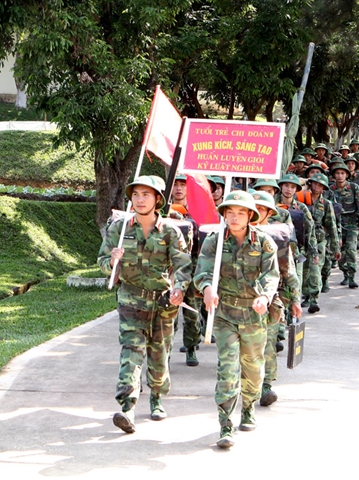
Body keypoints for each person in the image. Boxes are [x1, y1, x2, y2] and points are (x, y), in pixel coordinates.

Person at [98, 176, 191, 433]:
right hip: (131, 299)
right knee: (131, 350)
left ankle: (157, 397)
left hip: (162, 302)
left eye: (146, 195)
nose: (140, 199)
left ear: (157, 199)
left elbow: (183, 265)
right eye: (136, 194)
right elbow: (103, 262)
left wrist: (179, 289)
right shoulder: (119, 229)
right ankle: (127, 407)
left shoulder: (170, 231)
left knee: (159, 353)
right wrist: (112, 260)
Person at [194, 190, 280, 448]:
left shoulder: (264, 242)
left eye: (240, 213)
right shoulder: (215, 241)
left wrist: (264, 296)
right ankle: (225, 424)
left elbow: (271, 275)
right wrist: (207, 288)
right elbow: (203, 270)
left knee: (253, 369)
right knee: (228, 369)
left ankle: (249, 406)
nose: (234, 217)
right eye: (230, 212)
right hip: (225, 315)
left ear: (250, 215)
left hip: (254, 315)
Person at [251, 191, 301, 409]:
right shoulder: (233, 235)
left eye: (261, 209)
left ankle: (266, 386)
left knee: (268, 343)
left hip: (271, 300)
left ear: (269, 213)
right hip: (238, 299)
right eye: (253, 209)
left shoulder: (277, 237)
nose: (256, 213)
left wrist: (296, 299)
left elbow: (290, 271)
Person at [168, 174, 203, 367]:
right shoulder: (163, 210)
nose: (179, 189)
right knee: (169, 312)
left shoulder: (198, 211)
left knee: (192, 312)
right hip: (169, 267)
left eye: (183, 185)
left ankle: (191, 348)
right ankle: (165, 353)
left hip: (192, 265)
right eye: (175, 185)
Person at [304, 172, 340, 312]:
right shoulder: (301, 200)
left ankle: (314, 299)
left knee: (315, 270)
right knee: (305, 271)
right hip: (303, 241)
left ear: (323, 188)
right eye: (314, 183)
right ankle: (306, 295)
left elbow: (332, 226)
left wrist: (336, 247)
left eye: (320, 185)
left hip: (319, 242)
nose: (316, 187)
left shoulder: (326, 204)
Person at [329, 162, 359, 288]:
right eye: (337, 173)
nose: (340, 176)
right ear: (334, 175)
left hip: (351, 223)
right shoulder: (330, 190)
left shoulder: (353, 187)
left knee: (351, 250)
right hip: (336, 224)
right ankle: (345, 273)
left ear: (346, 175)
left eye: (342, 173)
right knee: (340, 252)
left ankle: (352, 277)